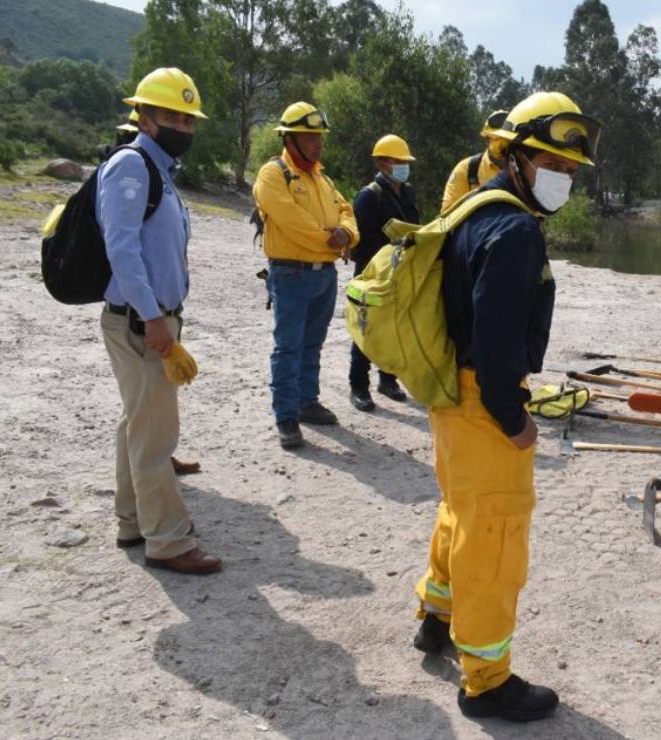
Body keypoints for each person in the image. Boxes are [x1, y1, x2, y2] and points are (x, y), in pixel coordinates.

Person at [411, 91, 601, 723]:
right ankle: (487, 681)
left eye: (571, 170)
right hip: (482, 400)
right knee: (493, 537)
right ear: (516, 157)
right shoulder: (515, 229)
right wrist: (515, 420)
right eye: (554, 163)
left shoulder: (473, 208)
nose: (564, 178)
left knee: (459, 512)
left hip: (449, 396)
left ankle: (436, 617)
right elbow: (495, 346)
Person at [99, 67, 219, 575]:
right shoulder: (132, 168)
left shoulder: (159, 169)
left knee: (138, 423)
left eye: (188, 119)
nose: (182, 127)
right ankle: (168, 542)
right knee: (155, 436)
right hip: (141, 322)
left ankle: (132, 522)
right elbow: (122, 251)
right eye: (171, 116)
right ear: (144, 117)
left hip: (151, 319)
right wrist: (153, 319)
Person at [253, 102, 359, 449]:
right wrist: (332, 241)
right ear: (290, 138)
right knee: (288, 347)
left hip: (324, 276)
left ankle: (306, 401)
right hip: (291, 274)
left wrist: (346, 232)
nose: (318, 144)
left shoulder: (321, 178)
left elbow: (346, 209)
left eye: (319, 137)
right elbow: (292, 222)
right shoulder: (274, 174)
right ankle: (286, 416)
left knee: (312, 344)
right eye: (310, 137)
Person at [348, 134, 420, 412]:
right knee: (366, 331)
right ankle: (358, 387)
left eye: (405, 161)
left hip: (400, 273)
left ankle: (387, 380)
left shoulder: (408, 191)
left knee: (394, 331)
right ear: (381, 162)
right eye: (398, 160)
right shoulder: (368, 196)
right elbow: (362, 242)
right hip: (372, 275)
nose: (403, 165)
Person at [439, 110, 509, 213]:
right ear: (487, 139)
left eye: (507, 139)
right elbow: (448, 215)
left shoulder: (525, 172)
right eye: (497, 139)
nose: (503, 145)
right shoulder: (467, 170)